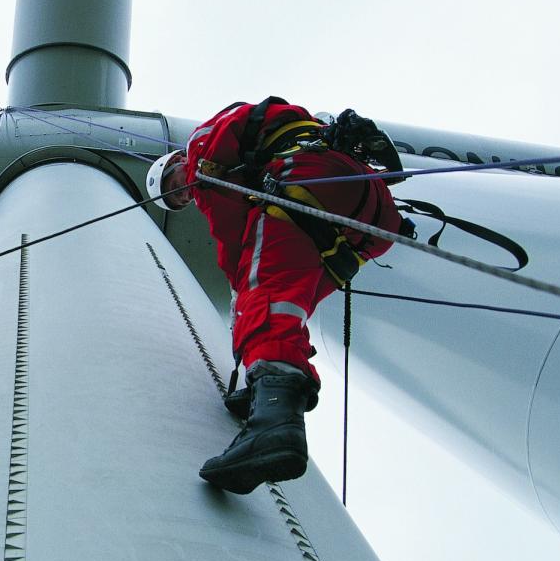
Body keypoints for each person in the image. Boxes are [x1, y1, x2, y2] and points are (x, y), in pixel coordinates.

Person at [146, 97, 409, 495]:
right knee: (291, 307)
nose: (185, 195)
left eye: (175, 184)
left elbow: (230, 234)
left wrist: (240, 294)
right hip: (369, 213)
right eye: (179, 200)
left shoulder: (203, 150)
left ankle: (274, 419)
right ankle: (270, 385)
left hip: (308, 180)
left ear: (177, 161)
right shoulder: (270, 131)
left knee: (262, 297)